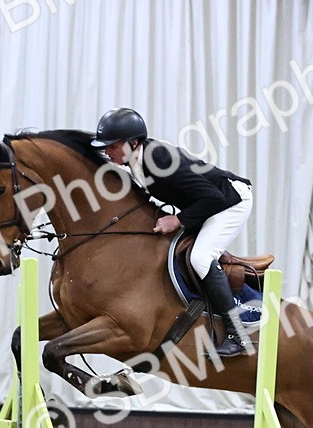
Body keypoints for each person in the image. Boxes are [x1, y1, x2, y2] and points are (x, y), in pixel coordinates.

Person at [91, 107, 254, 357]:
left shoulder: (159, 160)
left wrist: (178, 220)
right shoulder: (136, 162)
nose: (106, 151)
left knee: (200, 258)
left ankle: (238, 335)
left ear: (133, 143)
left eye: (112, 145)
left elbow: (214, 198)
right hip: (209, 203)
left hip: (232, 201)